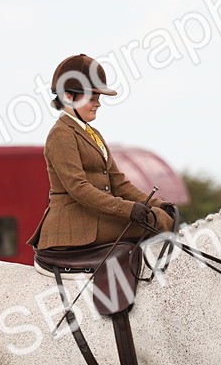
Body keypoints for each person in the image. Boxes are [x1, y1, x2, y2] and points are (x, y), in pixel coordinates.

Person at [27, 53, 176, 251]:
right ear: (68, 97)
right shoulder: (61, 134)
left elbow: (118, 183)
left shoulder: (93, 133)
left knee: (162, 216)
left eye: (98, 98)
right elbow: (78, 188)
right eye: (92, 98)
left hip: (95, 218)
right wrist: (127, 209)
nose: (98, 103)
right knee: (156, 221)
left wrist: (158, 203)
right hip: (75, 225)